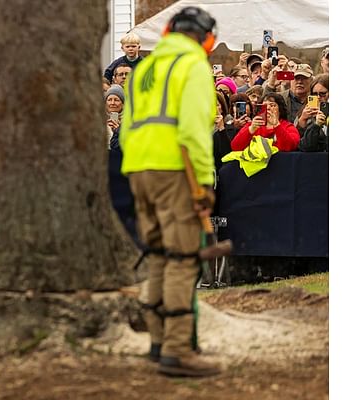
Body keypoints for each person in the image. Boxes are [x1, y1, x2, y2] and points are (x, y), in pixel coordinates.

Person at [119, 6, 221, 377]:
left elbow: (127, 129)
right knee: (182, 258)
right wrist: (203, 180)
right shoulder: (193, 65)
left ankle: (159, 341)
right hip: (177, 170)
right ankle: (179, 350)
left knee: (159, 255)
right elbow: (193, 130)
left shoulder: (144, 68)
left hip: (138, 169)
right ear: (204, 38)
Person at [231, 92, 300, 152]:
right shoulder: (252, 125)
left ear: (280, 109)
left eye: (272, 105)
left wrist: (277, 126)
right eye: (264, 106)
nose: (268, 108)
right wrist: (250, 130)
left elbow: (290, 147)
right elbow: (236, 147)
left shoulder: (288, 126)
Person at [299, 74, 329, 152]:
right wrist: (302, 121)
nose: (318, 97)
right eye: (315, 94)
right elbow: (304, 146)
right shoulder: (306, 112)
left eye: (323, 93)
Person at [104, 84, 124, 150]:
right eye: (109, 100)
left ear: (123, 103)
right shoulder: (99, 119)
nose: (112, 103)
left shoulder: (129, 120)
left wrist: (119, 130)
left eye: (116, 100)